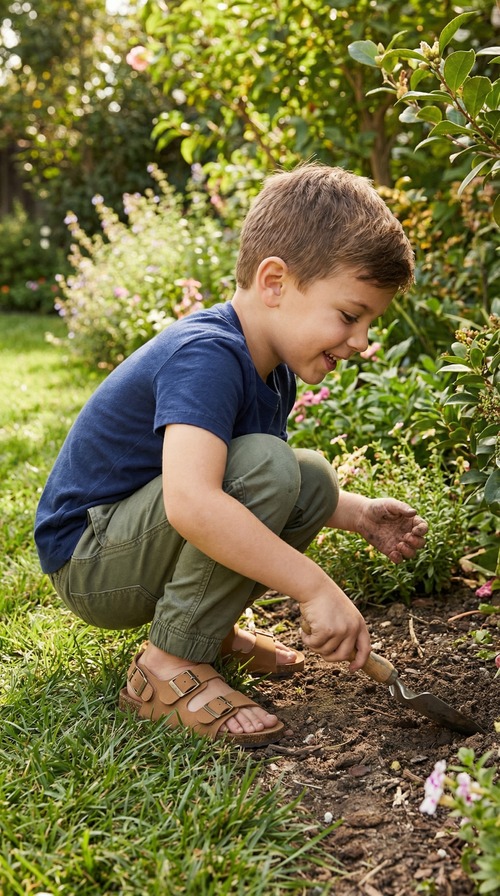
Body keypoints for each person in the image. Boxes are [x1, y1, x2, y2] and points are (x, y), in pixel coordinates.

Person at [35, 163, 428, 747]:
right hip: (90, 561)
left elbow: (259, 490)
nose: (362, 341)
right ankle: (167, 666)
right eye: (350, 316)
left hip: (131, 543)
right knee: (272, 465)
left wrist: (359, 514)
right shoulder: (208, 355)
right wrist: (317, 588)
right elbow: (193, 504)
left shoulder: (271, 369)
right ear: (274, 283)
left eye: (369, 322)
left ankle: (207, 632)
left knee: (311, 479)